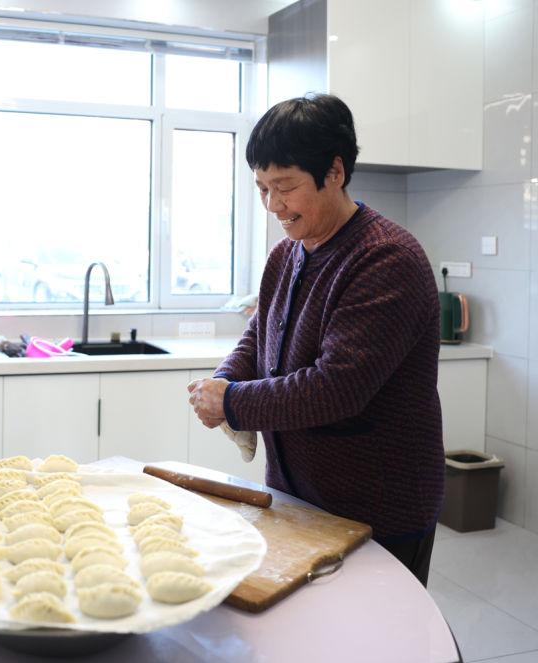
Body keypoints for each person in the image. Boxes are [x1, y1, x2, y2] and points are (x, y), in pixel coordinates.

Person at [187, 94, 444, 586]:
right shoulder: (287, 254)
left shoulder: (386, 258)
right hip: (297, 496)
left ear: (335, 172)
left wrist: (233, 402)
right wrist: (224, 380)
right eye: (262, 188)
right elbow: (260, 334)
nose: (273, 205)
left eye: (285, 187)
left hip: (377, 507)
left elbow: (337, 388)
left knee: (374, 628)